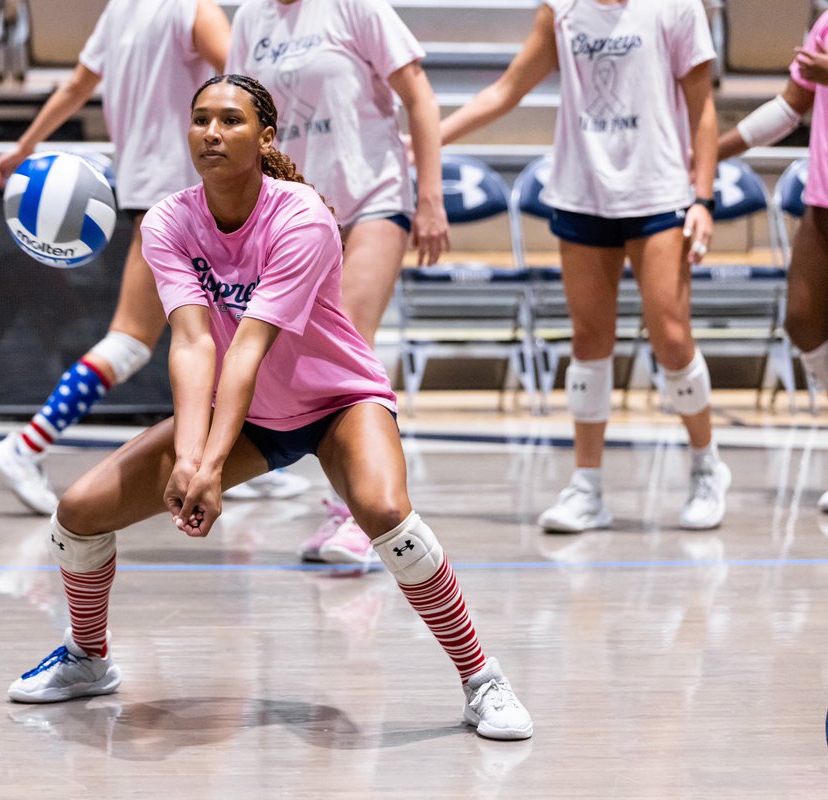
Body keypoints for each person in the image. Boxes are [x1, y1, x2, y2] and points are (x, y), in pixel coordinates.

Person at [5, 75, 533, 741]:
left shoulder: (301, 216)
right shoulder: (168, 221)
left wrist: (207, 466)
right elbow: (193, 343)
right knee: (79, 513)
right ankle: (88, 656)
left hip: (338, 400)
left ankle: (482, 679)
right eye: (200, 119)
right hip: (251, 415)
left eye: (231, 120)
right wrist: (191, 459)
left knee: (386, 514)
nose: (212, 132)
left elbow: (250, 346)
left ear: (266, 136)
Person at [440, 0, 731, 533]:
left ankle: (706, 465)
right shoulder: (561, 10)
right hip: (581, 192)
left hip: (658, 191)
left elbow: (702, 107)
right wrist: (425, 141)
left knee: (671, 336)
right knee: (588, 339)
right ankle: (587, 487)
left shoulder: (675, 8)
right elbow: (506, 90)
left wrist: (704, 198)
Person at [224, 0, 451, 566]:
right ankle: (350, 502)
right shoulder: (251, 18)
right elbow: (236, 115)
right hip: (293, 211)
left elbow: (419, 96)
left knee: (348, 344)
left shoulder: (355, 7)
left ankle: (354, 517)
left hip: (371, 195)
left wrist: (429, 196)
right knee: (306, 362)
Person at [0, 0, 231, 514]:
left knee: (199, 336)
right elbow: (247, 86)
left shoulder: (120, 11)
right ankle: (24, 447)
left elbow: (77, 86)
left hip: (145, 191)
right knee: (158, 339)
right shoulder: (194, 10)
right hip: (192, 191)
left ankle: (224, 461)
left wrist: (25, 146)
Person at [718, 11, 828, 515]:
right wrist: (710, 153)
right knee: (802, 319)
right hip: (821, 203)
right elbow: (789, 108)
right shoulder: (825, 26)